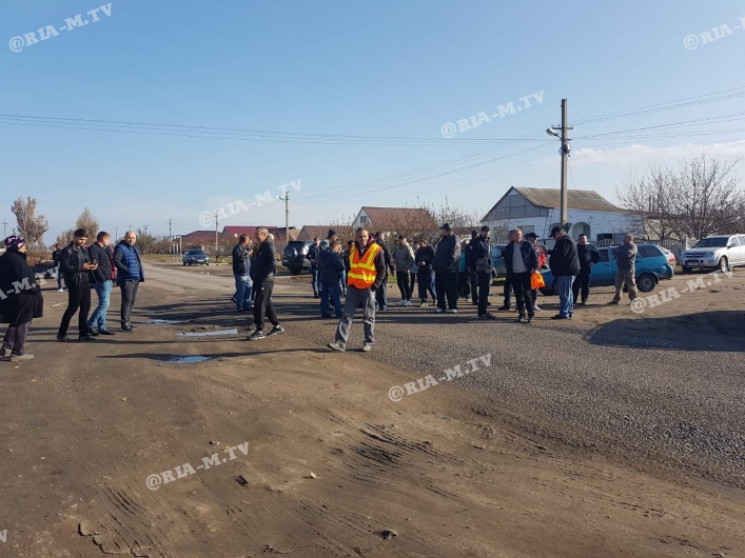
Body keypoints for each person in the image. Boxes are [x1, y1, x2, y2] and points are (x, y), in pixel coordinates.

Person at [328, 228, 385, 353]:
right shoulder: (353, 248)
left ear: (368, 236)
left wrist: (375, 286)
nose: (362, 239)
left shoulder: (377, 250)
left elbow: (382, 270)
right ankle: (340, 343)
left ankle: (368, 342)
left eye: (364, 236)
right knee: (346, 316)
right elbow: (350, 264)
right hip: (353, 287)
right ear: (356, 237)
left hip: (368, 288)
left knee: (368, 316)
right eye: (360, 237)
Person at [0, 235, 43, 361]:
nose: (25, 247)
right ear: (17, 246)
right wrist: (35, 290)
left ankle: (6, 348)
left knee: (16, 321)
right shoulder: (17, 260)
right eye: (23, 245)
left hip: (11, 295)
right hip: (23, 296)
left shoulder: (4, 258)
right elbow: (26, 280)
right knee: (24, 322)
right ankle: (18, 352)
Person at [57, 229, 98, 342]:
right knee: (72, 308)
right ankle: (62, 333)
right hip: (75, 282)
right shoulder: (67, 251)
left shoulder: (84, 250)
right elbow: (65, 267)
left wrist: (92, 266)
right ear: (75, 237)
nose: (82, 242)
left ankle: (83, 334)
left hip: (85, 281)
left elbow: (87, 262)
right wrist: (81, 267)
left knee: (86, 307)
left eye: (84, 240)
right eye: (80, 239)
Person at [248, 227, 284, 340]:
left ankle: (259, 330)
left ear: (264, 235)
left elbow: (273, 264)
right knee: (266, 303)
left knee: (259, 304)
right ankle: (277, 326)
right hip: (260, 280)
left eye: (257, 234)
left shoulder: (269, 245)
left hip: (265, 280)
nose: (255, 236)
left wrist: (261, 275)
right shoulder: (262, 245)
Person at [503, 228, 538, 323]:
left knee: (527, 295)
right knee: (519, 296)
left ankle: (531, 315)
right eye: (516, 235)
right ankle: (521, 315)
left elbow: (534, 257)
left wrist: (534, 268)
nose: (518, 236)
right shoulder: (509, 247)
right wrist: (509, 272)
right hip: (514, 274)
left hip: (526, 274)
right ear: (512, 236)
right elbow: (507, 261)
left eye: (520, 234)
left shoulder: (527, 244)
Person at [113, 231, 145, 333]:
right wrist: (126, 269)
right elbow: (116, 260)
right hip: (126, 279)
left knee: (132, 301)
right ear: (125, 238)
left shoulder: (134, 249)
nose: (131, 240)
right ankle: (124, 323)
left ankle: (128, 321)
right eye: (129, 238)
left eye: (134, 238)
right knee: (126, 301)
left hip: (135, 278)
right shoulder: (121, 248)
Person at [87, 231, 116, 336]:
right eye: (108, 239)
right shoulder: (94, 249)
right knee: (104, 304)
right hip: (101, 281)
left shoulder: (104, 249)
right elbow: (95, 265)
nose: (109, 241)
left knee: (104, 305)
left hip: (108, 279)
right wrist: (102, 278)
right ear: (103, 239)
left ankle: (102, 326)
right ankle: (90, 324)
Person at [548, 226, 579, 320]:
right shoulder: (569, 240)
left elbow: (561, 254)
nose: (554, 238)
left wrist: (550, 252)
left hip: (566, 271)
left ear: (559, 233)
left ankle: (564, 313)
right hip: (569, 270)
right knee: (568, 293)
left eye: (554, 236)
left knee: (564, 293)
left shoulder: (564, 241)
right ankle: (568, 312)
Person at [433, 223, 461, 314]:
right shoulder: (442, 241)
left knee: (450, 289)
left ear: (448, 230)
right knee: (439, 289)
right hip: (439, 269)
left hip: (450, 270)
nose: (441, 231)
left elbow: (453, 256)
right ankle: (441, 306)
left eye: (443, 230)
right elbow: (437, 254)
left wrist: (446, 266)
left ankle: (453, 306)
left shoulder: (454, 240)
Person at [470, 225, 495, 319]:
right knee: (483, 291)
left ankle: (483, 311)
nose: (486, 232)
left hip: (488, 268)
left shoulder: (487, 242)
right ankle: (482, 312)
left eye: (488, 231)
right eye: (484, 231)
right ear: (481, 232)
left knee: (485, 290)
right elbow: (473, 256)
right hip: (482, 269)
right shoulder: (478, 242)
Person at [609, 234, 638, 305]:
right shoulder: (622, 246)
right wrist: (621, 253)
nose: (623, 240)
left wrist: (620, 253)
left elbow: (628, 254)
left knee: (631, 285)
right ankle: (616, 300)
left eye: (625, 238)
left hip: (628, 268)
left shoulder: (633, 246)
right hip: (620, 268)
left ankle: (634, 299)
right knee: (618, 285)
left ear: (630, 239)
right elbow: (614, 252)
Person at [318, 240, 345, 318]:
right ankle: (339, 313)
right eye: (338, 248)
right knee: (335, 297)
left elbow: (318, 265)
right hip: (332, 278)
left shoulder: (321, 254)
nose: (339, 250)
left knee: (324, 298)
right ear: (334, 246)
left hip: (323, 278)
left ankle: (324, 313)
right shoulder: (333, 255)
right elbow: (341, 267)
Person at [573, 234, 600, 306]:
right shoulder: (575, 247)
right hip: (576, 269)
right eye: (580, 239)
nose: (582, 240)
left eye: (583, 238)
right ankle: (573, 301)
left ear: (586, 239)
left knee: (585, 285)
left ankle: (584, 301)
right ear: (578, 240)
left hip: (586, 269)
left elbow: (597, 256)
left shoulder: (590, 246)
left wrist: (592, 261)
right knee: (575, 285)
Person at [525, 232, 546, 311]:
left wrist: (541, 264)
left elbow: (543, 257)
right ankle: (524, 304)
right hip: (526, 271)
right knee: (526, 288)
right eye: (533, 237)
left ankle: (534, 303)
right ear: (528, 238)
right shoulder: (524, 246)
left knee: (535, 288)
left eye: (536, 238)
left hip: (536, 271)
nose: (535, 239)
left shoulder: (539, 248)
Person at [373, 231, 393, 312]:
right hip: (383, 268)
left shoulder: (373, 245)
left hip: (374, 269)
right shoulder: (384, 245)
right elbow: (389, 257)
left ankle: (377, 304)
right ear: (382, 236)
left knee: (376, 287)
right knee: (383, 287)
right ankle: (383, 305)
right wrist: (392, 268)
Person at [232, 234, 253, 312]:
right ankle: (239, 306)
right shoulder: (237, 248)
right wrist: (249, 253)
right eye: (248, 240)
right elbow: (241, 257)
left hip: (247, 273)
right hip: (240, 273)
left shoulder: (244, 248)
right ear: (244, 240)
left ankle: (247, 305)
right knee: (241, 291)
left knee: (249, 289)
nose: (249, 241)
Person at [392, 235, 415, 306]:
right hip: (399, 269)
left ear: (405, 240)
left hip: (405, 270)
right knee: (400, 284)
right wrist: (395, 261)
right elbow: (393, 256)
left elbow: (412, 260)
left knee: (406, 285)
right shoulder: (397, 248)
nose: (401, 241)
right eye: (400, 240)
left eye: (402, 240)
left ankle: (408, 299)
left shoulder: (408, 248)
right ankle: (403, 298)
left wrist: (407, 268)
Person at [415, 238, 436, 307]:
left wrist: (426, 263)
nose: (420, 244)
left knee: (430, 285)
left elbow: (434, 259)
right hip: (421, 270)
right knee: (421, 286)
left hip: (429, 270)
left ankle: (435, 297)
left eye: (422, 243)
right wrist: (418, 263)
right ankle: (424, 301)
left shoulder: (431, 250)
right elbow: (416, 260)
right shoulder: (419, 251)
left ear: (426, 243)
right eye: (420, 243)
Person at [498, 230, 515, 311]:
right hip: (510, 271)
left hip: (515, 271)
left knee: (517, 289)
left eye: (509, 236)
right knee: (507, 288)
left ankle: (517, 305)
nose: (508, 238)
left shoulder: (515, 246)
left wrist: (503, 253)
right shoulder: (509, 246)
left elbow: (509, 257)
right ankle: (507, 303)